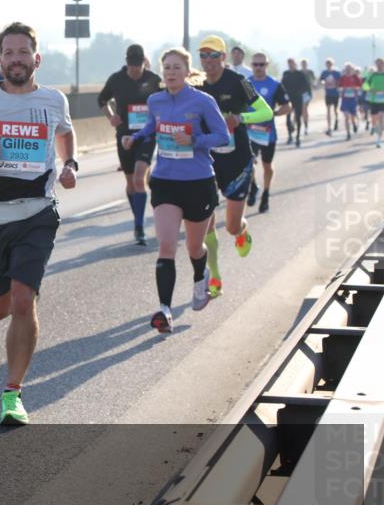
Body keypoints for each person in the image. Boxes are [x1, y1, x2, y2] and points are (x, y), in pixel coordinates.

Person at [0, 22, 77, 426]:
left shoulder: (53, 100)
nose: (17, 59)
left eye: (23, 52)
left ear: (36, 59)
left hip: (38, 213)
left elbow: (65, 134)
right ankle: (7, 308)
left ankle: (13, 393)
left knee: (24, 300)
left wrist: (69, 165)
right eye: (9, 53)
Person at [124, 48, 229, 332]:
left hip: (198, 182)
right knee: (167, 246)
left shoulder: (202, 101)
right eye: (167, 67)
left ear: (187, 71)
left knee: (194, 247)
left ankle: (200, 278)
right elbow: (150, 127)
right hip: (165, 181)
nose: (171, 72)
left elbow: (222, 136)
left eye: (176, 67)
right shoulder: (155, 100)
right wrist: (134, 138)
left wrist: (193, 139)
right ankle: (164, 311)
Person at [196, 35, 272, 299]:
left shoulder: (238, 82)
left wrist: (241, 118)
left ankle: (242, 231)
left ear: (223, 58)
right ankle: (214, 276)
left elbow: (266, 112)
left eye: (213, 55)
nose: (208, 61)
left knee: (230, 226)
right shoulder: (197, 84)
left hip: (238, 160)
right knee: (206, 223)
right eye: (203, 55)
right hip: (208, 161)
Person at [97, 44, 163, 245]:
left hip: (147, 135)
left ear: (144, 61)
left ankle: (140, 227)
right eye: (131, 64)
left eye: (138, 64)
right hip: (125, 134)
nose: (135, 69)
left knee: (139, 178)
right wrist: (112, 116)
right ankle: (137, 218)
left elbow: (166, 99)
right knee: (130, 183)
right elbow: (102, 99)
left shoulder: (153, 79)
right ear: (127, 62)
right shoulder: (116, 79)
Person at [246, 53, 292, 212]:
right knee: (247, 163)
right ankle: (253, 186)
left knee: (267, 166)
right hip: (249, 132)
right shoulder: (246, 83)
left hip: (267, 133)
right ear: (251, 65)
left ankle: (266, 194)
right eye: (255, 65)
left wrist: (275, 114)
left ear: (266, 65)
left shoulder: (274, 84)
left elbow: (287, 106)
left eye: (261, 65)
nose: (258, 68)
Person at [281, 58, 310, 146]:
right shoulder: (286, 74)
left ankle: (297, 136)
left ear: (295, 64)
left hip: (298, 98)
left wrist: (300, 92)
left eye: (292, 63)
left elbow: (305, 85)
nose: (290, 65)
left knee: (298, 117)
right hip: (288, 99)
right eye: (289, 63)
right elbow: (282, 85)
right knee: (288, 118)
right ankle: (290, 135)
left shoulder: (300, 74)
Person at [339, 63, 363, 141]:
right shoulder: (342, 78)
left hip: (353, 99)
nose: (348, 70)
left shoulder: (355, 77)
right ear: (345, 70)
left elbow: (361, 86)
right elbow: (339, 87)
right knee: (346, 117)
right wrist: (342, 89)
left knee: (353, 116)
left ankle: (354, 124)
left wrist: (354, 88)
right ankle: (348, 134)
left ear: (352, 70)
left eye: (350, 69)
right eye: (347, 69)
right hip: (345, 99)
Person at [363, 58, 384, 148]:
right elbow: (365, 85)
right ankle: (375, 129)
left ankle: (378, 140)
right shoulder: (372, 75)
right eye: (377, 64)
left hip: (383, 101)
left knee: (381, 117)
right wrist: (370, 89)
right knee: (374, 119)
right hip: (374, 100)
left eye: (380, 64)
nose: (379, 65)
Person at [320, 58, 342, 135]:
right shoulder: (324, 73)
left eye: (330, 64)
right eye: (327, 64)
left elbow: (340, 81)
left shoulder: (336, 73)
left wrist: (337, 85)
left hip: (335, 93)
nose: (329, 65)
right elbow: (321, 80)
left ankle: (336, 119)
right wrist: (323, 82)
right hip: (328, 93)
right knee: (328, 110)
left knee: (335, 110)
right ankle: (329, 127)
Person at [301, 59, 316, 134]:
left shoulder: (310, 72)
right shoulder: (299, 73)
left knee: (304, 108)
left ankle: (306, 125)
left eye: (305, 63)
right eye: (302, 64)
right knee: (302, 110)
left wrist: (313, 84)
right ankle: (304, 124)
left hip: (308, 93)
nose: (304, 65)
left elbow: (313, 81)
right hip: (300, 93)